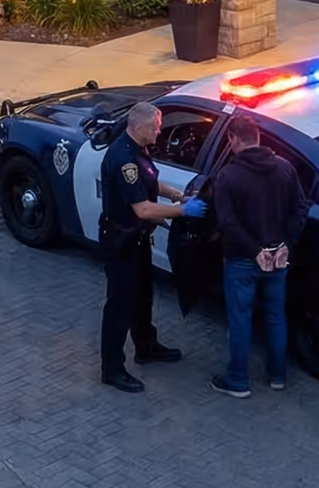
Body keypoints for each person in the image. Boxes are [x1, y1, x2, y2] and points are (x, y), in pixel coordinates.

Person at [99, 101, 206, 393]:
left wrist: (176, 195)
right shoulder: (124, 160)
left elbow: (151, 180)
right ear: (140, 127)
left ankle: (146, 347)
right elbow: (143, 209)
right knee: (120, 306)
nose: (160, 132)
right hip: (122, 242)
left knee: (143, 297)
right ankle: (112, 368)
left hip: (137, 239)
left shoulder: (137, 148)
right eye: (156, 127)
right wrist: (184, 212)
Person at [210, 115, 307, 398]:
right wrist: (286, 244)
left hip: (242, 259)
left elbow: (227, 222)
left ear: (235, 139)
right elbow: (299, 209)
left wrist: (254, 251)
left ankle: (238, 380)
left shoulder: (228, 176)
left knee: (240, 319)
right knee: (276, 316)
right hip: (279, 258)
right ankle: (277, 375)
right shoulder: (285, 168)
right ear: (258, 137)